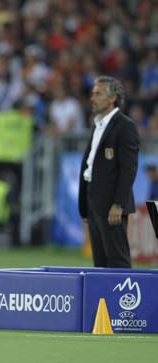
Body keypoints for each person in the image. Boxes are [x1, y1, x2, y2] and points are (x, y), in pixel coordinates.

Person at [78, 75, 139, 268]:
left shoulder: (125, 126)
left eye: (98, 94)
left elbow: (128, 169)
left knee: (117, 258)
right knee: (101, 260)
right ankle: (103, 299)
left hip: (111, 202)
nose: (93, 98)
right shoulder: (98, 125)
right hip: (93, 198)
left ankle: (124, 297)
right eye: (92, 93)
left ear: (112, 98)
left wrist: (119, 204)